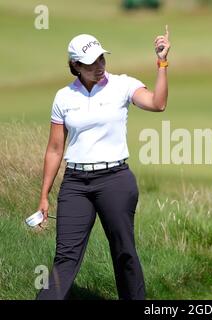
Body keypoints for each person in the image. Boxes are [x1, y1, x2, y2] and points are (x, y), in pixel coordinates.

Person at [35, 27, 170, 300]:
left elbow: (158, 104)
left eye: (101, 59)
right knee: (65, 258)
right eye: (90, 63)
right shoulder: (63, 97)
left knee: (124, 252)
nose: (98, 66)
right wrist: (44, 195)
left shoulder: (123, 84)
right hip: (75, 183)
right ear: (75, 65)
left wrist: (162, 63)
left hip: (115, 180)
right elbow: (54, 148)